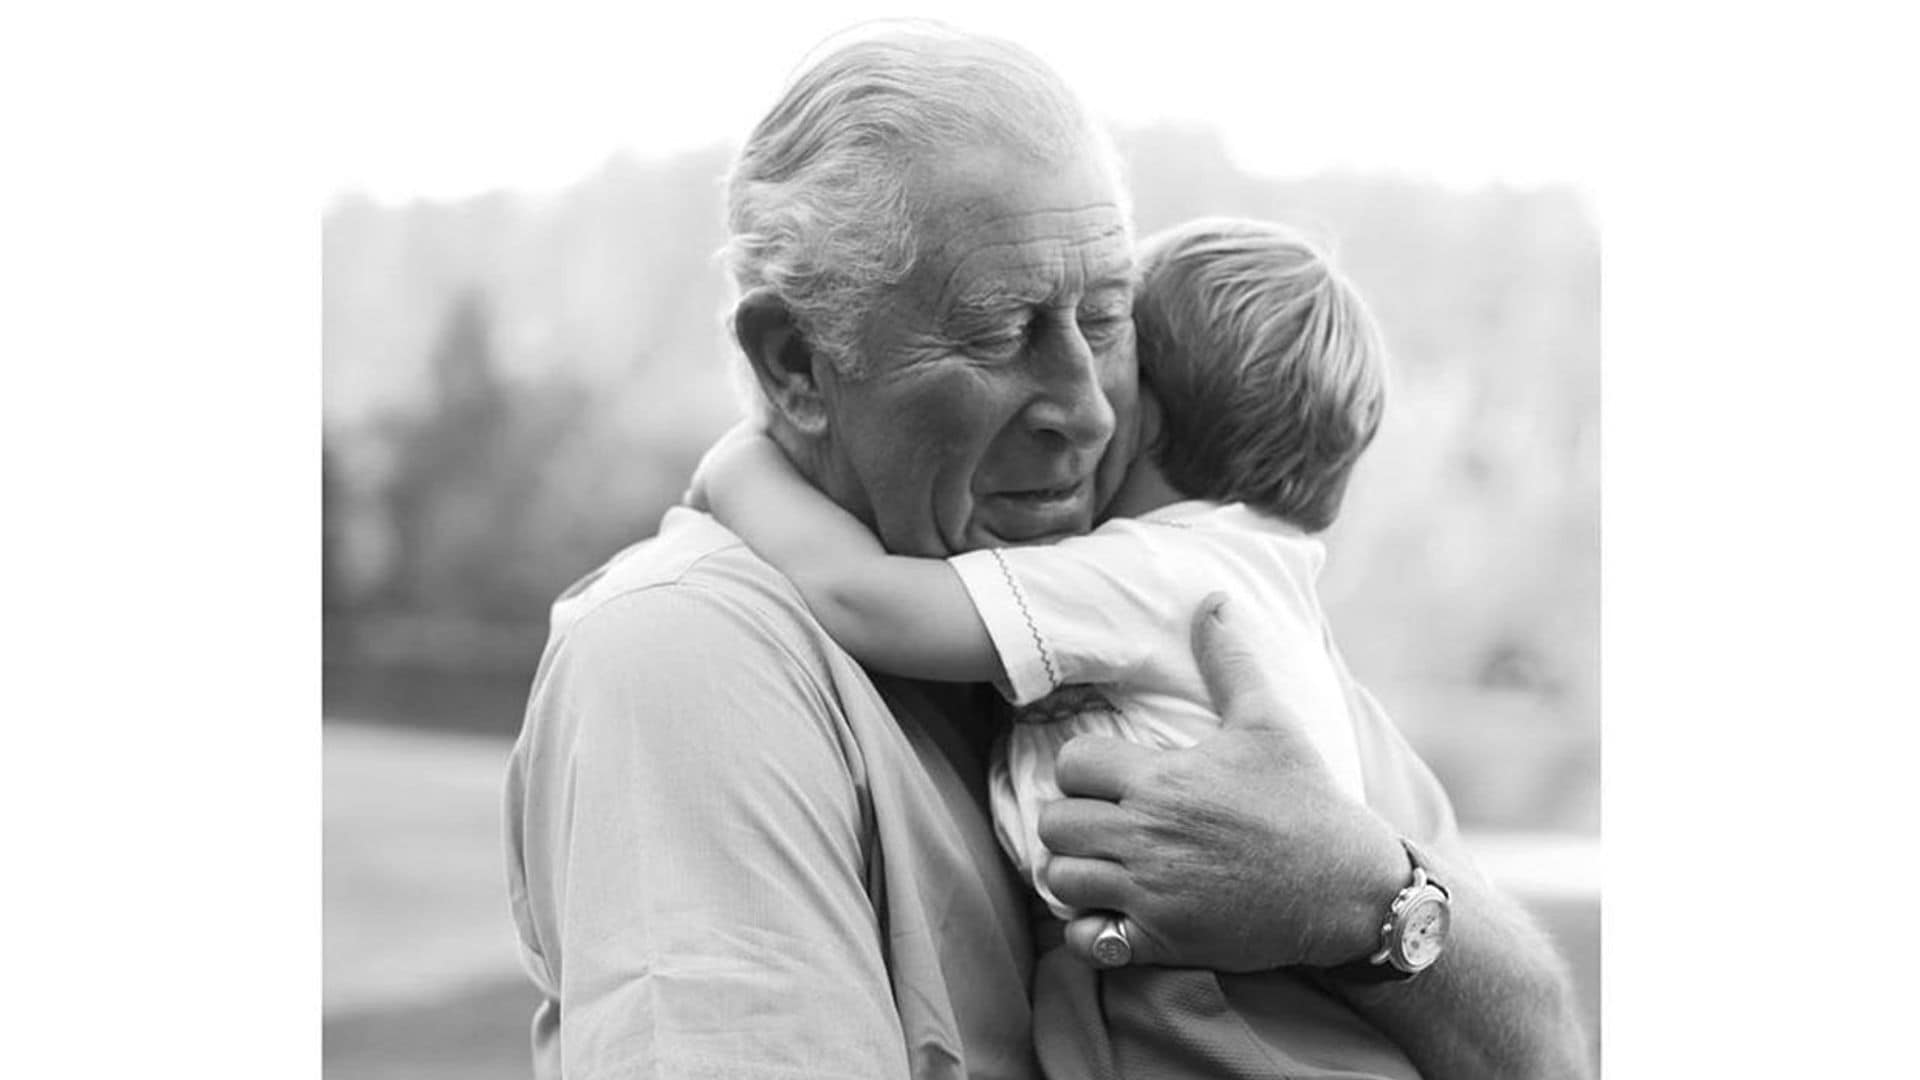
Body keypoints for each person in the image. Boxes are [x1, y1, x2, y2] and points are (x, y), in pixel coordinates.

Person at [502, 20, 1590, 1080]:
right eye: (997, 331)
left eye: (1108, 317)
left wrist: (1365, 898)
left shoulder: (1210, 627)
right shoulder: (693, 660)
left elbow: (1544, 1048)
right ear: (795, 362)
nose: (1088, 408)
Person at [692, 216, 1457, 1078]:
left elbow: (863, 601)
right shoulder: (1263, 576)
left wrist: (737, 466)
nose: (1078, 407)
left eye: (1102, 345)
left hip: (1209, 1024)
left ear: (1145, 410)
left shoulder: (1154, 569)